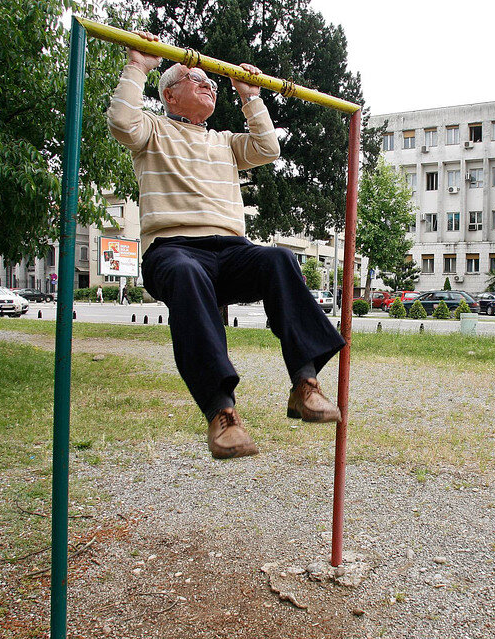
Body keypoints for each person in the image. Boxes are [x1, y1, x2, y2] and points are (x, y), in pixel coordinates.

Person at [107, 32, 345, 460]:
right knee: (186, 272)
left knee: (279, 259)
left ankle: (305, 384)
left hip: (231, 250)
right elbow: (122, 123)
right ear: (169, 95)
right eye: (195, 78)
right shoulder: (152, 129)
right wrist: (138, 66)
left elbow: (268, 148)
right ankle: (221, 412)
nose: (209, 85)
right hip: (173, 248)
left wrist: (250, 97)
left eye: (212, 82)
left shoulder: (224, 141)